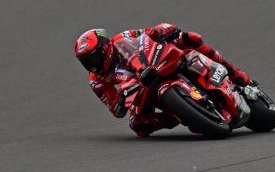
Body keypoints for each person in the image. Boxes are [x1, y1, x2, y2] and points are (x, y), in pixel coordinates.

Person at [74, 23, 250, 137]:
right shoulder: (96, 81)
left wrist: (160, 31)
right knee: (138, 126)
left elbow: (146, 35)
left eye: (93, 57)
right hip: (141, 88)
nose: (92, 65)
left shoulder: (122, 39)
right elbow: (116, 110)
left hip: (153, 63)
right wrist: (120, 100)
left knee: (190, 39)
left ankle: (234, 73)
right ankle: (177, 115)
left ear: (105, 48)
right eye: (86, 62)